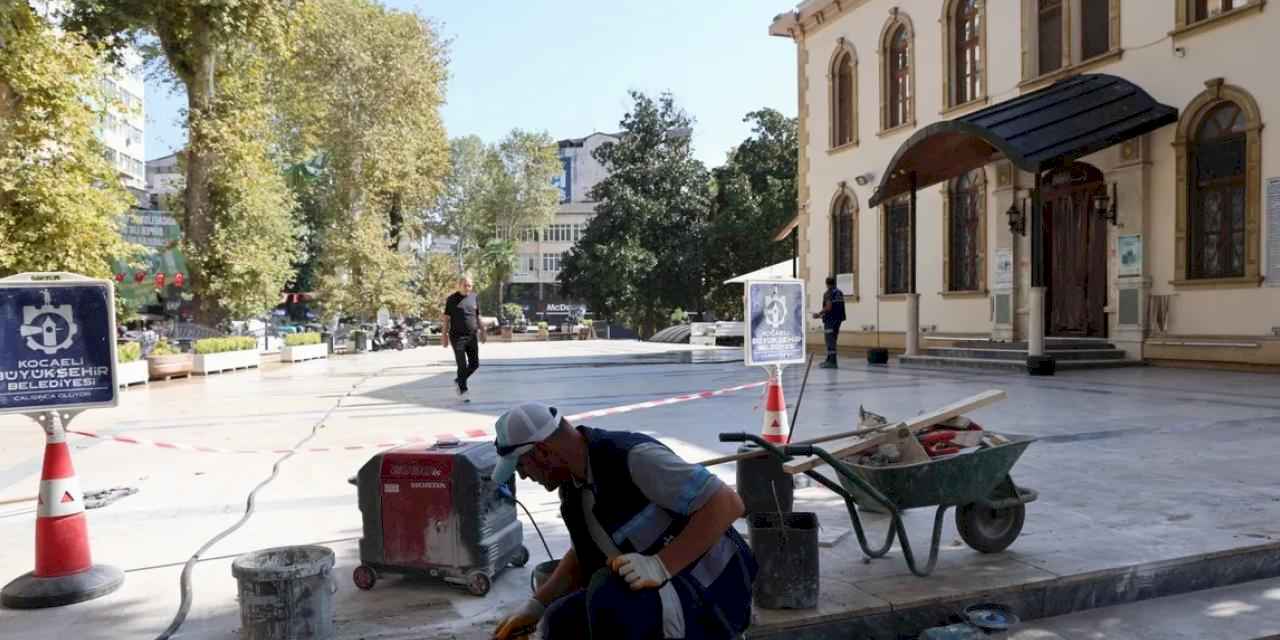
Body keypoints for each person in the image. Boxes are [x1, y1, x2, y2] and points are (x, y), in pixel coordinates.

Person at [490, 402, 756, 640]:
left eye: (521, 467)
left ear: (542, 452)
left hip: (716, 597)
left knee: (608, 595)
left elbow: (728, 503)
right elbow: (584, 554)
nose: (524, 477)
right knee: (561, 619)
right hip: (667, 593)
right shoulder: (573, 487)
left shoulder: (631, 457)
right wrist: (537, 606)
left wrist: (661, 565)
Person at [442, 275, 484, 402]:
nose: (467, 288)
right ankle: (463, 389)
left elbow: (478, 316)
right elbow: (446, 319)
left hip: (472, 336)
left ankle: (459, 380)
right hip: (457, 337)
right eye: (465, 285)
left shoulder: (474, 297)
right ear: (459, 285)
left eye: (470, 285)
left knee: (474, 364)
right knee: (462, 364)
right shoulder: (451, 299)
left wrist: (483, 330)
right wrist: (444, 336)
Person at [812, 276, 846, 369]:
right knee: (833, 339)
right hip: (838, 319)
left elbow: (828, 307)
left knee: (829, 340)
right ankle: (829, 359)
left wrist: (818, 314)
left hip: (830, 320)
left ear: (826, 284)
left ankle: (832, 362)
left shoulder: (828, 293)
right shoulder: (839, 292)